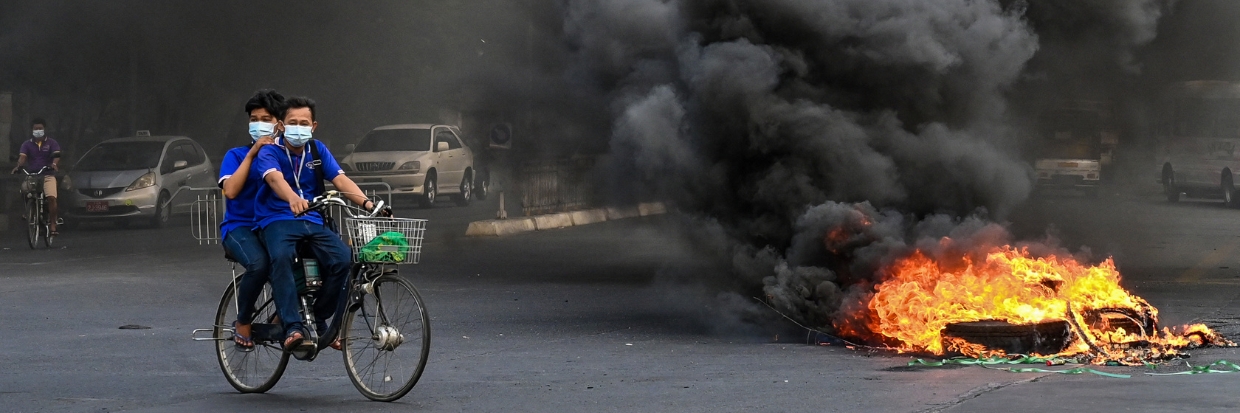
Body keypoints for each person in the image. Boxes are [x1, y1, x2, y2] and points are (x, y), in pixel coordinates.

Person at [253, 96, 379, 352]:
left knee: (344, 260)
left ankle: (318, 316)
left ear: (313, 126)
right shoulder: (269, 151)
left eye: (304, 123)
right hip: (277, 219)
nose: (298, 127)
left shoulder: (317, 150)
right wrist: (293, 199)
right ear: (280, 125)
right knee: (282, 257)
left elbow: (341, 181)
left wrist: (368, 204)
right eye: (292, 122)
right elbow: (275, 179)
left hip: (312, 219)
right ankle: (292, 328)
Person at [218, 89, 285, 350]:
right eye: (254, 118)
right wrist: (252, 154)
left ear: (279, 124)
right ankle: (243, 320)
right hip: (239, 227)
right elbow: (231, 191)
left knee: (298, 258)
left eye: (265, 118)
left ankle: (287, 315)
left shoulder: (286, 155)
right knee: (259, 264)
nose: (259, 124)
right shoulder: (235, 155)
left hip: (271, 225)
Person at [11, 118, 61, 235]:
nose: (38, 131)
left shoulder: (52, 143)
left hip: (48, 174)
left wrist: (54, 164)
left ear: (44, 129)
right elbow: (22, 157)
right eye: (35, 129)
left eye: (40, 129)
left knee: (52, 197)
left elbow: (56, 156)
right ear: (32, 130)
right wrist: (18, 166)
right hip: (33, 175)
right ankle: (29, 210)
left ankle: (53, 223)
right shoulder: (27, 144)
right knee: (24, 189)